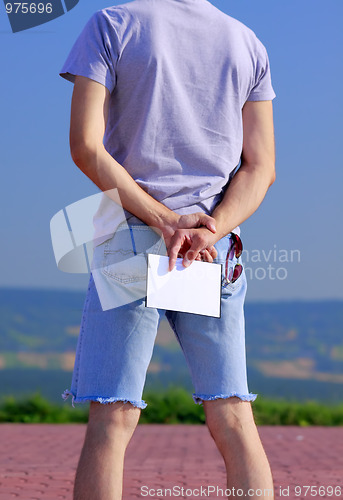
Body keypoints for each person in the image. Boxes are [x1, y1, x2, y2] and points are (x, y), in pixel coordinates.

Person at [59, 0, 276, 498]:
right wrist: (209, 229)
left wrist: (164, 220)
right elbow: (260, 167)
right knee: (235, 416)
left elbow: (85, 147)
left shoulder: (111, 25)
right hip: (210, 248)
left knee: (113, 419)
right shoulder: (247, 42)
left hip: (134, 237)